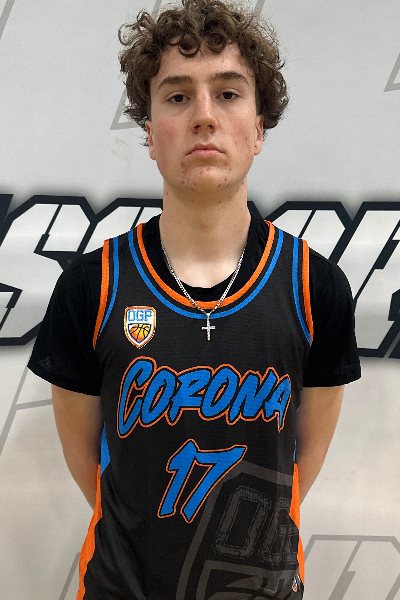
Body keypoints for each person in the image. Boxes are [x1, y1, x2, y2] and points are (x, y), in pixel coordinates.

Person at [28, 0, 361, 598]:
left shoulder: (316, 288)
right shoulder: (91, 288)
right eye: (178, 96)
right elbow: (91, 469)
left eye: (228, 94)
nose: (204, 116)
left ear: (258, 130)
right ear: (150, 135)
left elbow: (297, 468)